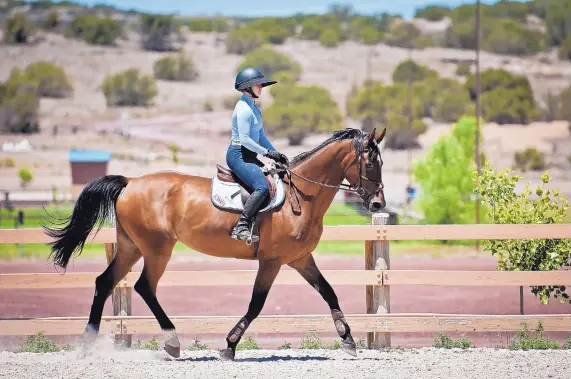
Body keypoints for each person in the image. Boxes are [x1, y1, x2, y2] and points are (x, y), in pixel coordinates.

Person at [226, 67, 289, 243]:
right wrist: (267, 153)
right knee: (261, 186)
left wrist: (275, 154)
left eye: (261, 84)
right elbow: (245, 140)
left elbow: (260, 137)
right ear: (247, 87)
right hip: (238, 154)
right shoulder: (244, 109)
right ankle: (242, 226)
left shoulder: (254, 109)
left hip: (250, 155)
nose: (261, 87)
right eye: (257, 85)